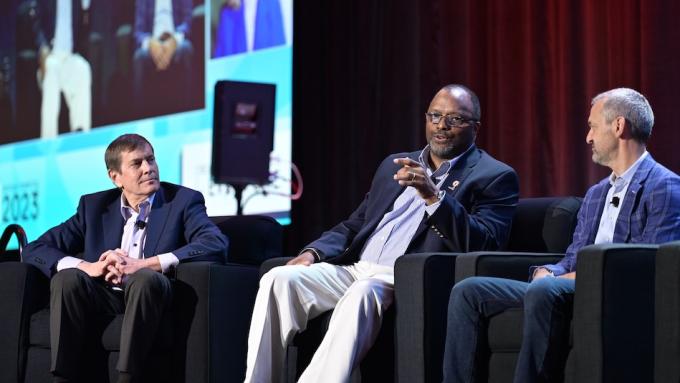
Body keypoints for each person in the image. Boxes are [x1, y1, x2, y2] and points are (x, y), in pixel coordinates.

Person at [244, 84, 520, 383]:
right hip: (355, 268)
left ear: (475, 128)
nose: (441, 125)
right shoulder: (395, 163)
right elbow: (356, 224)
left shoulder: (493, 175)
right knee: (278, 279)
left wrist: (433, 197)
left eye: (454, 119)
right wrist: (313, 252)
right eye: (435, 116)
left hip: (406, 275)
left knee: (363, 293)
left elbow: (486, 242)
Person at [442, 88, 680, 383]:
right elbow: (571, 258)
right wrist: (547, 271)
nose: (588, 138)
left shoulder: (664, 187)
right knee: (468, 290)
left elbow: (649, 266)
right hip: (569, 286)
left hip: (614, 292)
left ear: (618, 126)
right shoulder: (596, 194)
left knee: (545, 290)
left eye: (592, 127)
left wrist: (561, 280)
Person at [22, 133, 229, 382]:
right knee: (67, 279)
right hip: (104, 295)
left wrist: (144, 264)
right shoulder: (93, 207)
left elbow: (215, 243)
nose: (149, 168)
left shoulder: (183, 201)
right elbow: (35, 248)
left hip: (152, 295)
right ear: (115, 177)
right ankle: (63, 378)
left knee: (144, 279)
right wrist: (88, 267)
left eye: (151, 160)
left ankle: (128, 377)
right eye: (137, 163)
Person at [34, 0, 93, 139]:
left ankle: (81, 135)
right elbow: (36, 24)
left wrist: (85, 8)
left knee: (83, 68)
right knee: (51, 68)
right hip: (50, 56)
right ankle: (48, 139)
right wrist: (42, 48)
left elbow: (83, 31)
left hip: (69, 57)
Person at [133, 0, 194, 116]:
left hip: (175, 39)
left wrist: (174, 40)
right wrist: (151, 44)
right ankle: (139, 116)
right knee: (139, 56)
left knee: (186, 48)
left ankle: (188, 111)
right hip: (153, 43)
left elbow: (187, 22)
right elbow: (138, 32)